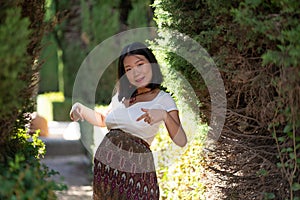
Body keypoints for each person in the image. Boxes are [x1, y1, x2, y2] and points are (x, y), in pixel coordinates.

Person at [70, 42, 187, 200]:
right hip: (106, 174)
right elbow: (104, 120)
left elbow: (181, 140)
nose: (135, 72)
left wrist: (165, 115)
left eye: (140, 64)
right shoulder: (121, 96)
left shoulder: (163, 99)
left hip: (135, 173)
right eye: (129, 69)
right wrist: (81, 109)